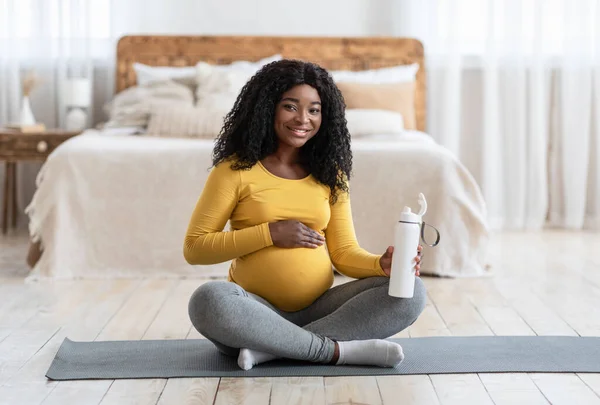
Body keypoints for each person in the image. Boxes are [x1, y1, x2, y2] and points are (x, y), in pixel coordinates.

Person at [184, 59, 427, 371]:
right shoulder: (233, 171)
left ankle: (272, 350)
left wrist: (380, 265)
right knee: (208, 300)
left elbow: (343, 253)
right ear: (267, 107)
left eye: (314, 109)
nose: (303, 119)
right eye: (290, 106)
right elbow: (195, 248)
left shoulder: (331, 174)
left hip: (320, 311)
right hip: (254, 312)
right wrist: (270, 233)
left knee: (411, 291)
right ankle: (336, 351)